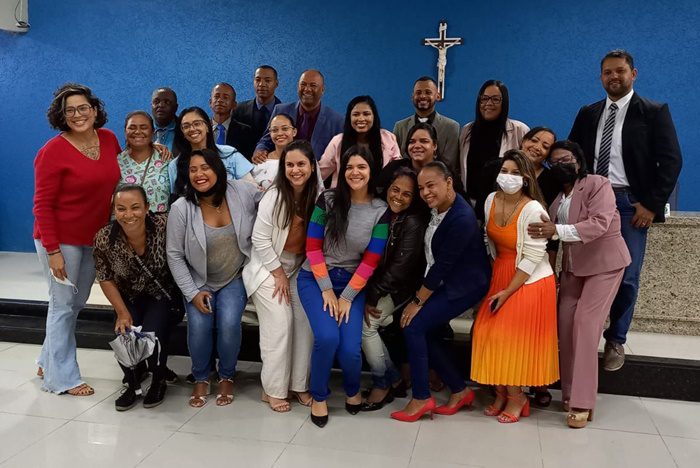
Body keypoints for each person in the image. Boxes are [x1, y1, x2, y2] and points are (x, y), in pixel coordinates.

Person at [568, 49, 682, 371]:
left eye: (620, 71)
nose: (613, 77)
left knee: (627, 276)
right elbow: (573, 155)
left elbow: (672, 161)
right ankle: (580, 335)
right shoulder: (588, 113)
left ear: (633, 74)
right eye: (607, 72)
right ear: (600, 77)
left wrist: (651, 204)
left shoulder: (654, 112)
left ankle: (616, 339)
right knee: (582, 271)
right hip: (591, 201)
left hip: (630, 205)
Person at [528, 140, 631, 428]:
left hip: (605, 264)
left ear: (579, 160)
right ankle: (570, 392)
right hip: (573, 268)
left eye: (566, 160)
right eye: (554, 162)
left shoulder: (598, 184)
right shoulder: (557, 197)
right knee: (565, 326)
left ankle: (583, 402)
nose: (560, 165)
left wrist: (556, 230)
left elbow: (599, 223)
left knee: (586, 324)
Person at [33, 83, 121, 395]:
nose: (77, 114)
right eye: (69, 110)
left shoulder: (108, 139)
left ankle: (46, 359)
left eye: (83, 108)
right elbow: (42, 205)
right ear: (61, 116)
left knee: (76, 303)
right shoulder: (52, 152)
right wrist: (53, 251)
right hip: (60, 240)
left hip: (93, 238)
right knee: (62, 305)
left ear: (95, 110)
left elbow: (126, 172)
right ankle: (63, 378)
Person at [296, 146, 390, 427]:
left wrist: (347, 296)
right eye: (349, 167)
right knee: (327, 338)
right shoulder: (327, 199)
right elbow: (312, 247)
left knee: (350, 348)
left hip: (353, 284)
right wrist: (326, 289)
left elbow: (371, 260)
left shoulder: (381, 210)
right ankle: (319, 396)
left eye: (361, 167)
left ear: (371, 171)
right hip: (315, 279)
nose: (354, 172)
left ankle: (352, 390)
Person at [390, 162, 490, 423]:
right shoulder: (437, 208)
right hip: (445, 280)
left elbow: (442, 266)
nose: (425, 193)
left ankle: (421, 398)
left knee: (413, 326)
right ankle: (460, 390)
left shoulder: (461, 218)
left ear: (448, 182)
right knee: (426, 332)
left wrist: (417, 301)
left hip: (464, 286)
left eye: (431, 186)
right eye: (421, 188)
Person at [166, 149, 262, 407]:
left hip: (233, 276)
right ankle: (200, 377)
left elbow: (271, 200)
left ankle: (226, 375)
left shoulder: (242, 191)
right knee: (199, 326)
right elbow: (174, 255)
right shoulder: (181, 208)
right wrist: (192, 293)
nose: (199, 174)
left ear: (218, 169)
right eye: (193, 169)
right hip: (198, 280)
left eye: (205, 167)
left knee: (229, 323)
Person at [470, 150, 559, 424]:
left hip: (529, 279)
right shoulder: (490, 200)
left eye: (515, 173)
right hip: (501, 272)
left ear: (526, 178)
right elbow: (489, 240)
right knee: (486, 333)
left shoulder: (533, 209)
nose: (508, 177)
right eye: (504, 171)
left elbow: (533, 257)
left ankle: (517, 397)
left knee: (506, 338)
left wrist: (508, 291)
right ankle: (501, 393)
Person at [243, 140, 319, 412]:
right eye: (290, 165)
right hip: (267, 268)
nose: (296, 170)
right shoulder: (274, 196)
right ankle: (273, 390)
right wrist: (278, 273)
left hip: (300, 268)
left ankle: (299, 385)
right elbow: (260, 239)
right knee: (280, 323)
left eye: (301, 164)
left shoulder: (318, 196)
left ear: (312, 167)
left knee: (304, 322)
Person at [93, 185, 182, 410]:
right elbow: (105, 277)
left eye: (135, 207)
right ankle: (133, 384)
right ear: (114, 210)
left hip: (161, 294)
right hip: (128, 296)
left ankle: (158, 379)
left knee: (152, 334)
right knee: (124, 332)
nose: (128, 214)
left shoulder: (164, 226)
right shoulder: (104, 238)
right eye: (121, 209)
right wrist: (121, 312)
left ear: (147, 208)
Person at [361, 167, 428, 411]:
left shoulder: (413, 222)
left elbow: (399, 269)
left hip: (397, 289)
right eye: (395, 190)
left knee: (367, 327)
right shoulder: (381, 211)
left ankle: (383, 383)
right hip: (374, 284)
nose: (398, 197)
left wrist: (372, 295)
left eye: (407, 194)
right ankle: (395, 379)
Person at [459, 79, 529, 221]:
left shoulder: (519, 130)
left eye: (495, 99)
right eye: (484, 98)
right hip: (470, 204)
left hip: (504, 206)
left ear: (504, 102)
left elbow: (528, 170)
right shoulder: (467, 130)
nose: (488, 103)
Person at [253, 69, 343, 162]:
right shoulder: (280, 110)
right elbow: (266, 140)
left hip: (318, 170)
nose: (307, 89)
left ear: (322, 90)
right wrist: (260, 150)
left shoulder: (336, 121)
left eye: (313, 85)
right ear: (297, 87)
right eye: (303, 84)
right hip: (281, 167)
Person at [168, 106, 255, 198]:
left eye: (197, 124)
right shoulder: (175, 165)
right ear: (182, 132)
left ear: (207, 126)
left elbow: (252, 188)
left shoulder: (229, 154)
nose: (192, 129)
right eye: (186, 126)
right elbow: (175, 198)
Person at [319, 95, 401, 187]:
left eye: (366, 114)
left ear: (374, 116)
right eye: (356, 114)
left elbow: (399, 171)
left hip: (379, 193)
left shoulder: (388, 138)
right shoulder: (337, 142)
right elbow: (320, 173)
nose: (361, 119)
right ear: (349, 117)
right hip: (343, 194)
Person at [392, 77, 460, 177]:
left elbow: (450, 164)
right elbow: (397, 162)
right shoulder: (399, 127)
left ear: (437, 96)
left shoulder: (451, 127)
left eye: (428, 92)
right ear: (412, 97)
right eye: (418, 93)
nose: (423, 96)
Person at [118, 111, 171, 212]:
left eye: (144, 127)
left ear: (153, 132)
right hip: (125, 221)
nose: (138, 131)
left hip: (160, 221)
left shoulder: (166, 159)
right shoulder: (116, 162)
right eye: (132, 127)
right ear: (125, 132)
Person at [376, 122, 440, 196]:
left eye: (424, 141)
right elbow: (377, 192)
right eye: (412, 142)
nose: (417, 146)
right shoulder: (394, 167)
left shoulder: (442, 172)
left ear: (434, 145)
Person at [233, 65, 282, 144]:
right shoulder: (239, 109)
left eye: (267, 80)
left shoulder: (284, 111)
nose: (261, 84)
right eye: (258, 80)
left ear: (276, 83)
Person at [209, 82, 256, 160]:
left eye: (225, 97)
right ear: (210, 102)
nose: (220, 100)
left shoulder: (246, 132)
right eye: (216, 97)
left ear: (234, 105)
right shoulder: (202, 129)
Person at [521, 126, 559, 206]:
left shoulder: (552, 180)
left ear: (548, 154)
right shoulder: (498, 165)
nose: (537, 147)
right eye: (534, 140)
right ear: (523, 141)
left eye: (545, 147)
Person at [151, 87, 181, 153]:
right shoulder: (142, 129)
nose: (161, 105)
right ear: (151, 105)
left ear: (176, 107)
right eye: (156, 102)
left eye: (167, 102)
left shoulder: (184, 130)